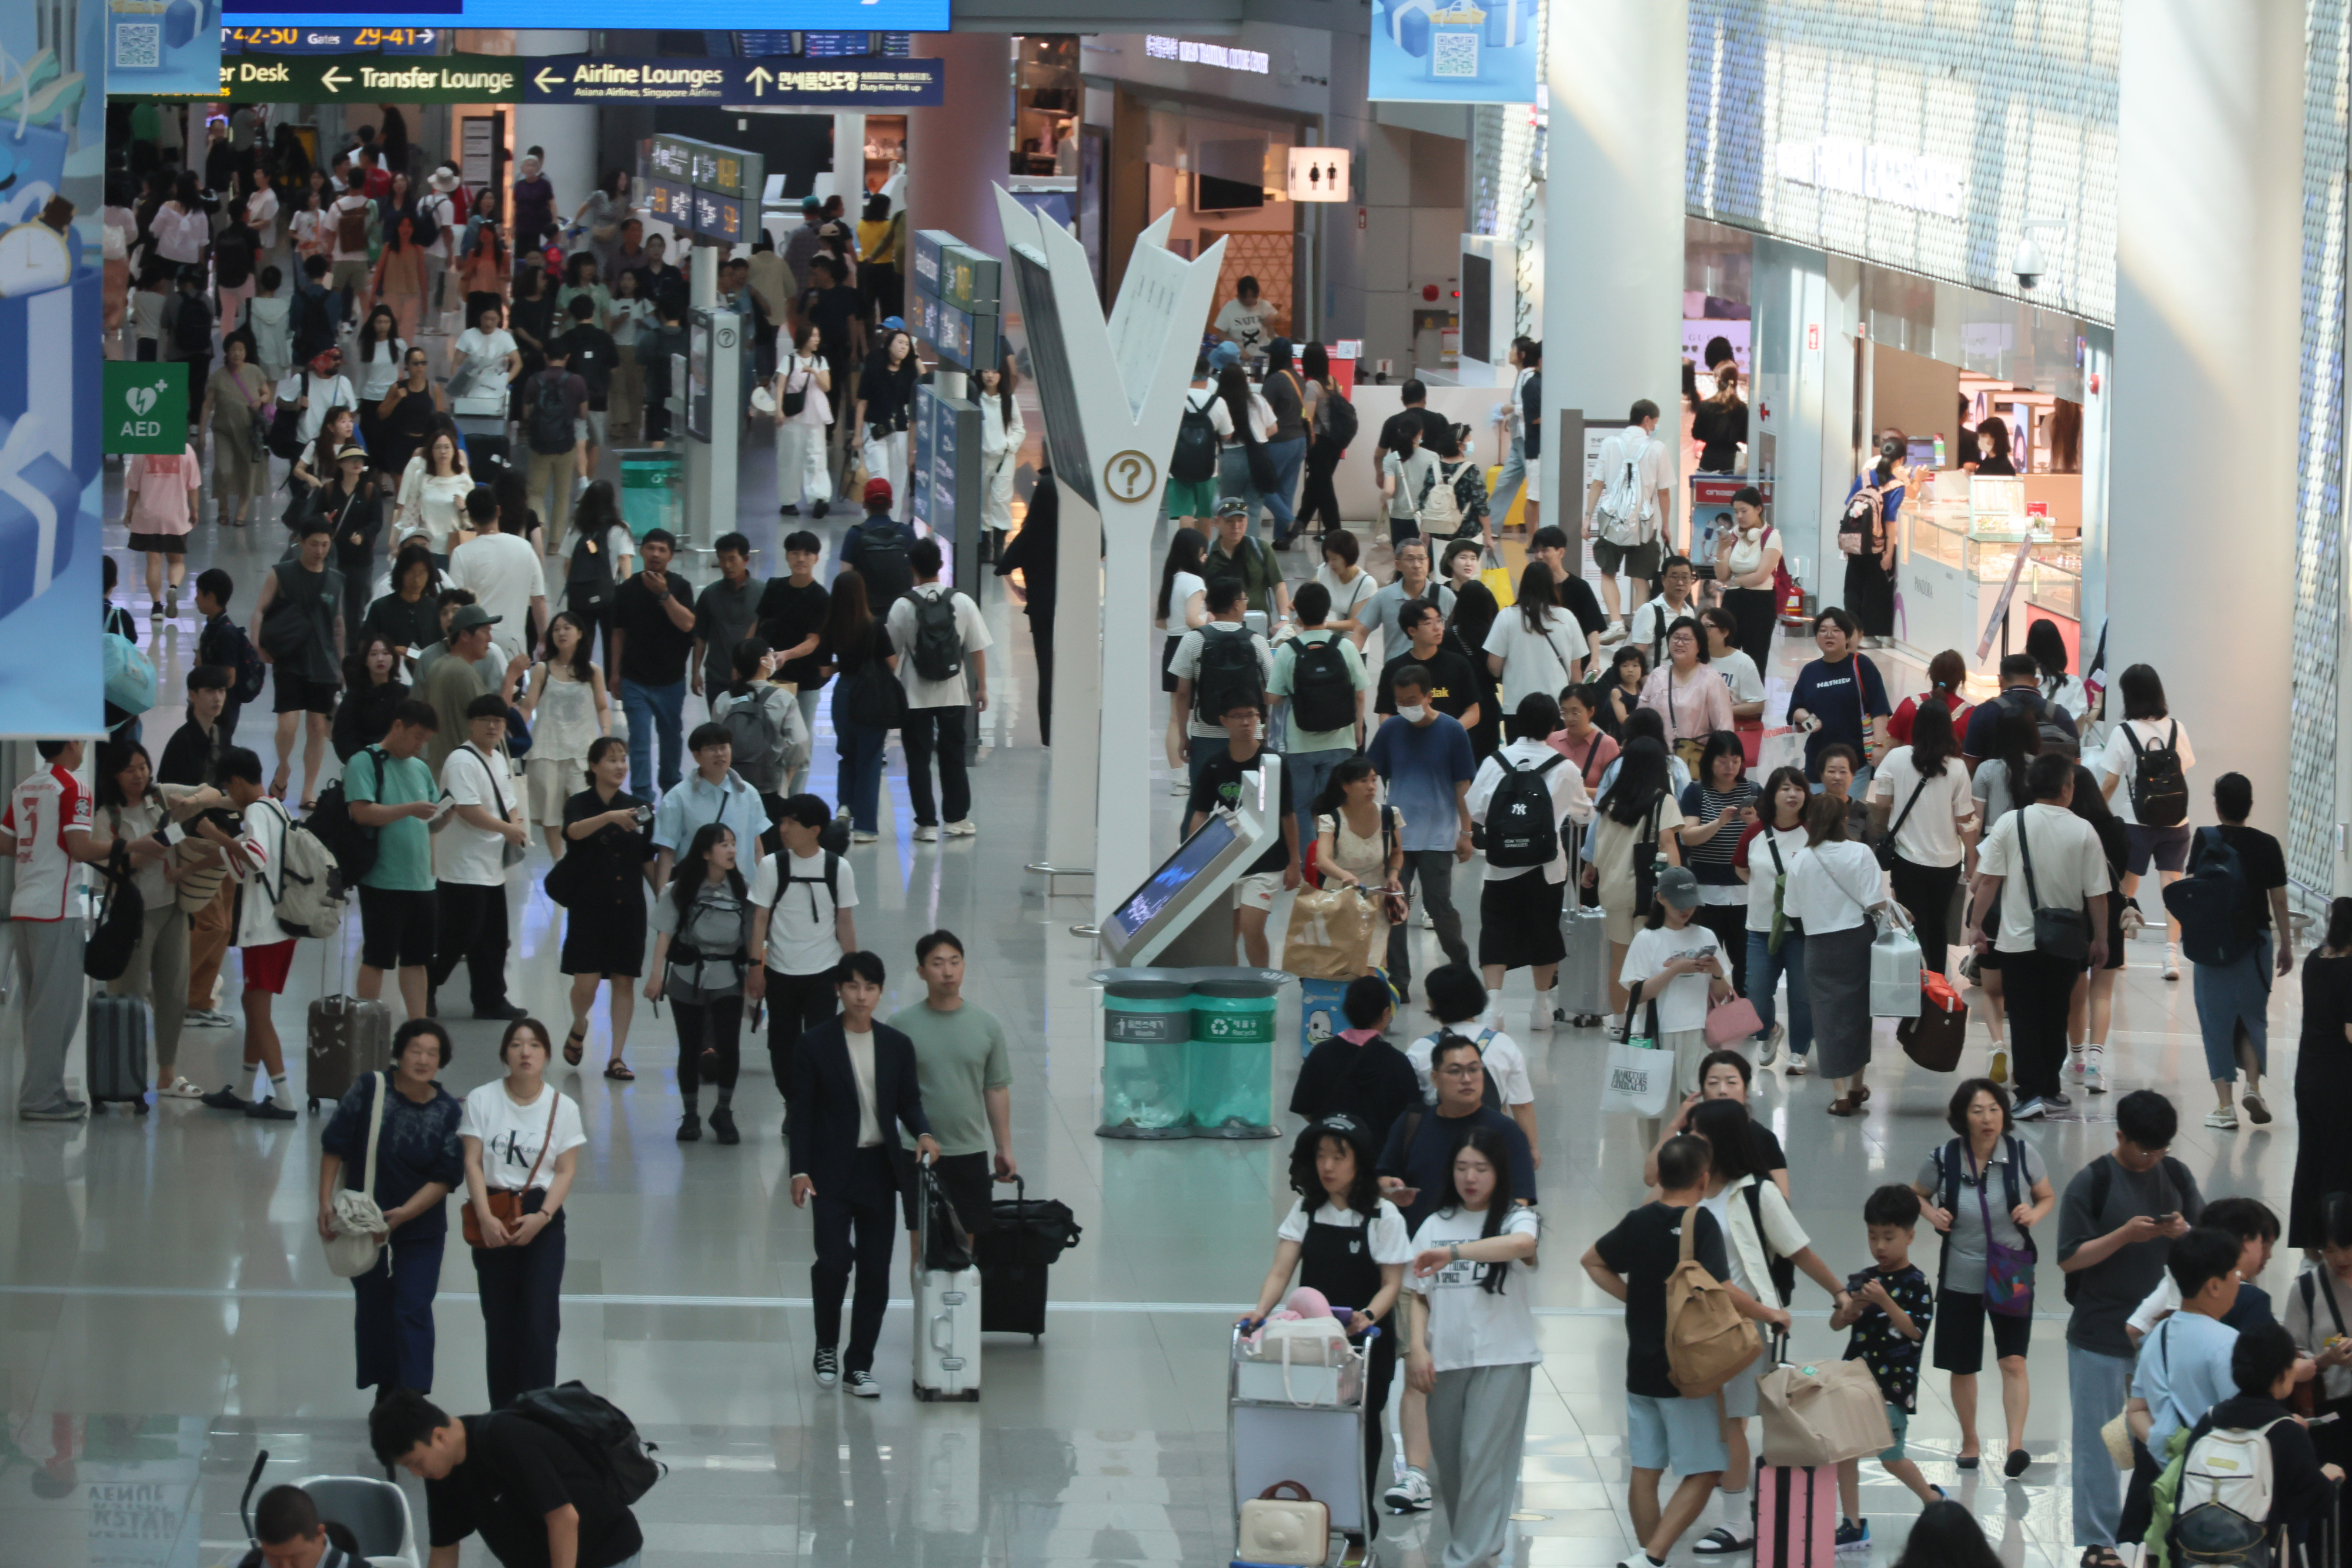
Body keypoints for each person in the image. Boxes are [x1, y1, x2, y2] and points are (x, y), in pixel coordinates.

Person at [1585, 1134, 1784, 1568]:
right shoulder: (1700, 1223)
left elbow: (1592, 1261)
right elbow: (1724, 1289)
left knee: (1645, 1468)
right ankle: (1654, 1556)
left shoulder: (1637, 1220)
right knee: (1708, 1468)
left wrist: (1634, 1298)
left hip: (1640, 1367)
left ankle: (1646, 1557)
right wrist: (1768, 1314)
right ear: (1704, 1177)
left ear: (1661, 1176)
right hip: (1687, 1369)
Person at [1689, 1098, 1855, 1551]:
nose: (1691, 1142)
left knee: (1733, 1422)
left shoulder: (1755, 1191)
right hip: (1694, 1326)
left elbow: (1798, 1249)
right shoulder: (1692, 1187)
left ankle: (1737, 1520)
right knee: (1709, 1421)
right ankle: (1727, 1509)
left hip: (1744, 1327)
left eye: (1699, 1135)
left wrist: (1839, 1293)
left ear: (1720, 1141)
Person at [1245, 1115, 1409, 1543]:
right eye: (1321, 1156)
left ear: (1361, 1162)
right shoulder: (1305, 1210)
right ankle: (1311, 1509)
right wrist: (1261, 1310)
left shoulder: (1382, 1215)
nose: (1328, 1166)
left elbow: (1393, 1282)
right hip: (1313, 1341)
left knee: (1361, 1424)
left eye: (1339, 1156)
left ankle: (1359, 1518)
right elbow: (1282, 1271)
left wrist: (1367, 1317)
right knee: (1313, 1422)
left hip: (1366, 1341)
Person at [2058, 1089, 2202, 1568]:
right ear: (2121, 1136)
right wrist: (2124, 1234)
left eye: (2162, 1149)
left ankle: (2159, 1532)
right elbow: (2069, 1257)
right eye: (2146, 1149)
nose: (2155, 1158)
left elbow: (2208, 1243)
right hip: (2100, 1333)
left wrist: (2185, 1233)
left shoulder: (2176, 1175)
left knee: (2165, 1439)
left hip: (2164, 1339)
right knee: (2100, 1442)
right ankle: (2098, 1543)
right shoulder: (2092, 1181)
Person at [787, 951, 940, 1396]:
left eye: (870, 987)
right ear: (839, 989)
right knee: (834, 1261)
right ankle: (827, 1346)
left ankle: (860, 1363)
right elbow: (803, 1113)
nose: (861, 995)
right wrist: (799, 1170)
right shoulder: (815, 1044)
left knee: (875, 1271)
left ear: (880, 991)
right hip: (830, 1171)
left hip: (880, 1169)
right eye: (853, 986)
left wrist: (924, 1132)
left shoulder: (896, 1045)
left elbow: (908, 1101)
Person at [1402, 1127, 1544, 1568]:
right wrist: (1416, 1350)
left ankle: (1462, 1558)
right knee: (1455, 1464)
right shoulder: (1434, 1223)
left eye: (1481, 1168)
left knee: (1482, 1456)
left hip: (1504, 1358)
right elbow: (1417, 1294)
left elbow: (1523, 1246)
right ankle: (1484, 1545)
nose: (1471, 1177)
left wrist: (1457, 1253)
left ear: (1499, 1172)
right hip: (1446, 1359)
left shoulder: (1515, 1218)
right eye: (1462, 1167)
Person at [1911, 1079, 2053, 1477]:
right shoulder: (1943, 1158)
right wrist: (1931, 1213)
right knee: (1963, 1363)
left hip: (2011, 1267)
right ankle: (1970, 1438)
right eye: (1977, 1111)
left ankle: (2015, 1444)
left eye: (1994, 1108)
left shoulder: (2024, 1154)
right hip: (1961, 1269)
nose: (1988, 1118)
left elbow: (2047, 1196)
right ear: (1962, 1118)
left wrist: (2034, 1214)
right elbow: (1916, 1194)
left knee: (2014, 1359)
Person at [319, 1019, 461, 1400]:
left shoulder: (448, 1111)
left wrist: (401, 1215)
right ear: (400, 1052)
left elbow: (446, 1177)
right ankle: (386, 1387)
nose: (423, 1059)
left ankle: (411, 1396)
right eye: (416, 1049)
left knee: (412, 1305)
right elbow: (335, 1143)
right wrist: (324, 1202)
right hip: (363, 1219)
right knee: (374, 1306)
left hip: (421, 1223)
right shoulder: (370, 1089)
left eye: (432, 1053)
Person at [1969, 754, 2113, 1119]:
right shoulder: (2083, 830)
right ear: (2066, 788)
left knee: (2024, 1015)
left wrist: (1977, 924)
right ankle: (2049, 1087)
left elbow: (1989, 881)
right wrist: (2101, 938)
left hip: (2017, 941)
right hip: (2065, 942)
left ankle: (2029, 1093)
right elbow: (2097, 892)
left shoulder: (2010, 822)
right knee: (2056, 1013)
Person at [373, 1388, 647, 1567]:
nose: (417, 1474)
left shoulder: (505, 1438)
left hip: (606, 1554)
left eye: (416, 1463)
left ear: (439, 1436)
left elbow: (564, 1519)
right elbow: (444, 1550)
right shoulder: (442, 1473)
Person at [1825, 1187, 1946, 1552]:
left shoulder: (1916, 1283)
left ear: (1910, 1235)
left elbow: (1915, 1330)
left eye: (1889, 1237)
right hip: (1854, 1381)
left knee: (1891, 1457)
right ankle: (1853, 1524)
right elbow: (1835, 1324)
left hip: (1892, 1385)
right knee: (1844, 1452)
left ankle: (1932, 1499)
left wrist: (1884, 1301)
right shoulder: (1865, 1278)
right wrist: (1850, 1309)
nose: (1880, 1246)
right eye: (1873, 1236)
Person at [181, 748, 300, 1119]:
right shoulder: (277, 808)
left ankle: (283, 1096)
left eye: (228, 789)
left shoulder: (259, 811)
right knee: (253, 1004)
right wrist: (188, 870)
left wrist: (216, 833)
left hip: (264, 928)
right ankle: (247, 1088)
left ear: (235, 781)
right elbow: (238, 861)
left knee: (258, 1011)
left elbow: (254, 857)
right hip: (279, 926)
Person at [1468, 694, 1595, 1033]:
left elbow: (1476, 809)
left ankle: (1494, 1006)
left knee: (1495, 932)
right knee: (1544, 933)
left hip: (1499, 867)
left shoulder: (1495, 761)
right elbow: (1584, 814)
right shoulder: (1565, 767)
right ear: (1553, 725)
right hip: (1546, 868)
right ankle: (1541, 1008)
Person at [883, 930, 1017, 1242]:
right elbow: (889, 1095)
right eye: (938, 963)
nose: (948, 972)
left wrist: (1004, 1148)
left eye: (955, 962)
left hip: (969, 1150)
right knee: (922, 1244)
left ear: (964, 966)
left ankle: (962, 1294)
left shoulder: (987, 1025)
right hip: (917, 1152)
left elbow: (995, 1088)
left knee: (966, 1245)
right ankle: (924, 1294)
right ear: (921, 972)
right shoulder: (901, 1027)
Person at [2181, 773, 2293, 1130]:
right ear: (2250, 806)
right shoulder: (2268, 844)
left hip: (2212, 945)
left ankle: (2224, 1106)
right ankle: (2255, 1088)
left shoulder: (2205, 840)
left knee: (2216, 1023)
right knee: (2252, 1018)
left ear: (2217, 805)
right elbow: (2278, 901)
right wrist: (2287, 944)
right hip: (2255, 942)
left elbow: (2191, 891)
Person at [93, 744, 198, 1102]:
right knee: (130, 997)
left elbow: (209, 797)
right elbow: (105, 875)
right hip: (132, 918)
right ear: (115, 776)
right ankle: (124, 1074)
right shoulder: (106, 818)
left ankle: (167, 1074)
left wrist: (177, 829)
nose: (140, 775)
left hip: (172, 909)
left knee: (174, 995)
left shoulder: (161, 801)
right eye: (130, 770)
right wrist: (141, 856)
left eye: (143, 767)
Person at [1368, 664, 1478, 989]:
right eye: (1400, 701)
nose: (1406, 707)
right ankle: (1399, 982)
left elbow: (1463, 786)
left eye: (1412, 699)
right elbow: (1372, 774)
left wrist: (1467, 832)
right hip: (1399, 835)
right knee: (1395, 906)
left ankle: (1460, 963)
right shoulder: (1391, 730)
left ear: (1429, 696)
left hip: (1438, 835)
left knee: (1438, 905)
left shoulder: (1453, 730)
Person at [644, 823, 754, 1146]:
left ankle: (723, 1110)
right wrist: (655, 976)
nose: (732, 850)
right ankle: (690, 1114)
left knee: (729, 1046)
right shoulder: (679, 889)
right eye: (724, 845)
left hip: (729, 978)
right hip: (687, 976)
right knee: (689, 1047)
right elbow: (665, 932)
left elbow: (751, 936)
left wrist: (757, 975)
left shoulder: (743, 889)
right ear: (706, 853)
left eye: (734, 844)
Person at [749, 794, 859, 1113]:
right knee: (781, 1046)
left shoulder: (839, 868)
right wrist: (756, 966)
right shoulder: (772, 865)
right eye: (782, 821)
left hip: (824, 973)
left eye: (791, 823)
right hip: (780, 972)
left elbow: (845, 922)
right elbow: (760, 919)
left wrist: (852, 974)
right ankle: (793, 1103)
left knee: (821, 1045)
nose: (783, 829)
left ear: (814, 830)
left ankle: (813, 1105)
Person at [1786, 790, 1890, 1115]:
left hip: (1818, 945)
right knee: (1859, 1013)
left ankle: (1840, 1094)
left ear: (1811, 822)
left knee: (1827, 1016)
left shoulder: (1801, 859)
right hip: (1858, 941)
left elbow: (1791, 910)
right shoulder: (1860, 853)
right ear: (1844, 820)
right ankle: (1858, 1085)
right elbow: (1875, 902)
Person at [883, 536, 992, 841]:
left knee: (917, 760)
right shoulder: (962, 601)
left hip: (913, 695)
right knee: (952, 755)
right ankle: (956, 819)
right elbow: (977, 649)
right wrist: (981, 688)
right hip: (953, 692)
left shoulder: (902, 606)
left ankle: (926, 824)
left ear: (913, 568)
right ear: (941, 566)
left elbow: (890, 654)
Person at [343, 701, 443, 1022]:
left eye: (425, 740)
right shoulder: (365, 762)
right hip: (383, 879)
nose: (419, 745)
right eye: (416, 736)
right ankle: (366, 1025)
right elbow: (361, 812)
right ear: (397, 726)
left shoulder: (421, 768)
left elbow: (431, 821)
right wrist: (410, 808)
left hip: (421, 880)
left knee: (417, 959)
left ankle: (418, 1027)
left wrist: (446, 814)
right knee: (377, 957)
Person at [431, 696, 527, 1024]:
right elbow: (468, 810)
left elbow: (509, 801)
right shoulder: (461, 761)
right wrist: (508, 830)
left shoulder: (499, 759)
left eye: (498, 721)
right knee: (458, 935)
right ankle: (426, 983)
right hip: (462, 865)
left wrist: (513, 825)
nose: (492, 726)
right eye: (485, 719)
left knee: (493, 938)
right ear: (471, 723)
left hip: (489, 865)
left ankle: (490, 1000)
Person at [2097, 664, 2197, 979]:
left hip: (2135, 821)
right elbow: (2184, 769)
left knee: (2127, 885)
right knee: (2172, 885)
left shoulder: (2123, 732)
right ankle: (2170, 956)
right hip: (2176, 822)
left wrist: (2095, 810)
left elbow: (2112, 781)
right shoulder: (2177, 728)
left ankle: (2122, 948)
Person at [1186, 697, 1301, 966]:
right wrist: (1197, 858)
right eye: (1238, 715)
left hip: (1267, 861)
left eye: (1251, 714)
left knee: (1252, 928)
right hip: (1229, 860)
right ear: (1224, 721)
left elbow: (1287, 815)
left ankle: (1262, 987)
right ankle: (1233, 990)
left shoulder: (1273, 762)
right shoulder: (1214, 764)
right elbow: (1200, 813)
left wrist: (1294, 862)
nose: (1246, 722)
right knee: (1227, 936)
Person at [1582, 736, 1687, 1025]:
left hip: (1613, 890)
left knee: (1620, 958)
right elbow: (1668, 844)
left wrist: (1590, 866)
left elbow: (1599, 841)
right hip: (1647, 893)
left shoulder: (1610, 803)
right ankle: (1641, 1023)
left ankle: (1618, 1022)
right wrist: (1677, 888)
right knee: (1650, 961)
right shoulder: (1662, 801)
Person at [1869, 702, 1977, 978]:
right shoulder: (1957, 767)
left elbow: (1881, 802)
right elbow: (1965, 818)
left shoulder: (1896, 758)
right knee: (1939, 924)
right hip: (1948, 862)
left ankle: (1915, 984)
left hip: (1908, 860)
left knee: (1913, 925)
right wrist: (1973, 859)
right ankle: (1937, 987)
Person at [1621, 866, 1736, 1104]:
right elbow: (1637, 994)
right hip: (1657, 1032)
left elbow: (1722, 994)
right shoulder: (1646, 939)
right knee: (1656, 1107)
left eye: (1690, 903)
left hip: (1699, 1032)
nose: (1685, 910)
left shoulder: (1706, 936)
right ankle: (1658, 1144)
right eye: (1678, 904)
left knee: (1696, 1103)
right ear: (1661, 898)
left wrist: (1716, 973)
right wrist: (1674, 970)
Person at [250, 519, 345, 810]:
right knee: (288, 726)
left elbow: (338, 624)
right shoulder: (281, 574)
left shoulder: (335, 580)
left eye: (325, 545)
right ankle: (283, 767)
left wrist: (341, 664)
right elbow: (259, 610)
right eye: (314, 544)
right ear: (301, 542)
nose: (320, 551)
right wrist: (256, 645)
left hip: (323, 663)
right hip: (290, 659)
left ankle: (308, 791)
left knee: (317, 727)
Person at [1268, 581, 1371, 844]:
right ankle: (1332, 863)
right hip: (1341, 740)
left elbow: (1275, 697)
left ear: (1298, 615)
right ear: (1327, 613)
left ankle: (1308, 863)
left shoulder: (1288, 650)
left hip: (1300, 742)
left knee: (1301, 807)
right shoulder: (1345, 647)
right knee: (1332, 807)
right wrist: (1358, 730)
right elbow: (1360, 693)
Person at [611, 529, 698, 801]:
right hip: (635, 679)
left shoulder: (681, 587)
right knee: (638, 741)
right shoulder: (626, 589)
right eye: (650, 548)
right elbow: (618, 632)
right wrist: (615, 673)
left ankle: (672, 791)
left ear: (671, 555)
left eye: (662, 550)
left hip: (670, 680)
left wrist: (664, 595)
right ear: (641, 552)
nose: (656, 554)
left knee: (671, 738)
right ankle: (641, 798)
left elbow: (687, 624)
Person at [1167, 576, 1275, 793]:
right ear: (1236, 604)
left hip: (1205, 733)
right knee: (1248, 803)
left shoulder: (1193, 639)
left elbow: (1181, 694)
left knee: (1201, 800)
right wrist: (1266, 726)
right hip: (1247, 734)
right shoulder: (1256, 641)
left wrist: (1182, 736)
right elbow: (1273, 689)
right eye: (1245, 599)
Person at [517, 613, 609, 859]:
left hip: (583, 751)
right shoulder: (542, 670)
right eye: (556, 629)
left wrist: (607, 737)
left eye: (567, 628)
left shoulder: (592, 671)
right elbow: (528, 707)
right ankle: (560, 863)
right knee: (551, 815)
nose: (561, 633)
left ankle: (580, 859)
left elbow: (602, 707)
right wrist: (511, 737)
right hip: (547, 749)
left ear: (580, 633)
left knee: (585, 811)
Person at [1673, 732, 1760, 992]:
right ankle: (1705, 1013)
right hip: (1706, 893)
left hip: (1746, 892)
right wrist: (1720, 822)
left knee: (1746, 962)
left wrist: (1755, 823)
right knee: (1704, 961)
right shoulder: (1696, 792)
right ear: (1710, 761)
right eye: (1723, 761)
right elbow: (1687, 837)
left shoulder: (1754, 791)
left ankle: (1745, 1015)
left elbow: (1770, 834)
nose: (1730, 767)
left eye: (1735, 760)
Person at [2290, 900, 2352, 1248]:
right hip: (2341, 1081)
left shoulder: (2315, 960)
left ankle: (2308, 1243)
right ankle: (2337, 1241)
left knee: (2309, 1160)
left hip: (2309, 1074)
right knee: (2339, 1163)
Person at [1585, 400, 1672, 635]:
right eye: (1655, 422)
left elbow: (1597, 484)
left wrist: (1587, 518)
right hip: (1645, 524)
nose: (1655, 426)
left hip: (1613, 521)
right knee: (1641, 576)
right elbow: (1663, 491)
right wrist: (1666, 525)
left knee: (1607, 572)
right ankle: (1640, 626)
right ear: (1647, 420)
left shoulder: (1610, 444)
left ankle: (1615, 623)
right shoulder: (1657, 448)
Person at [823, 571, 897, 843]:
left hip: (843, 692)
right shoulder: (875, 626)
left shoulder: (830, 626)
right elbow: (891, 663)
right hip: (871, 694)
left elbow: (823, 670)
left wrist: (846, 664)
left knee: (847, 753)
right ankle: (865, 826)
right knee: (870, 759)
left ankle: (845, 806)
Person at [650, 724, 767, 894]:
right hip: (696, 893)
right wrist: (662, 898)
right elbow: (667, 853)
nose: (719, 754)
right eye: (711, 749)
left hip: (743, 891)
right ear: (696, 755)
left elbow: (757, 848)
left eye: (724, 747)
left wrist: (763, 893)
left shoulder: (748, 793)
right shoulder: (678, 798)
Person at [1789, 609, 1890, 782]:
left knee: (1850, 808)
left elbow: (1879, 709)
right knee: (1820, 809)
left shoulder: (1861, 665)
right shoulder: (1810, 671)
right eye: (1823, 630)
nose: (1829, 635)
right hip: (1818, 761)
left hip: (1853, 762)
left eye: (1836, 630)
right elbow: (1795, 709)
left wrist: (1879, 745)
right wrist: (1808, 719)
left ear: (1848, 636)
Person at [1482, 562, 1589, 714]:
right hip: (1557, 707)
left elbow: (1494, 666)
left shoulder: (1506, 616)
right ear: (1552, 585)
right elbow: (1575, 672)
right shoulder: (1567, 617)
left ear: (1523, 584)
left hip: (1517, 706)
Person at [201, 332, 272, 531]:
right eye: (234, 350)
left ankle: (242, 511)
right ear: (227, 352)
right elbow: (207, 405)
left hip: (249, 432)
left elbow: (267, 392)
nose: (237, 353)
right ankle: (223, 509)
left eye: (241, 350)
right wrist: (200, 432)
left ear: (246, 352)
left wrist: (261, 400)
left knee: (248, 470)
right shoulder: (218, 376)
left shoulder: (254, 372)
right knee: (223, 470)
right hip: (223, 431)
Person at [1962, 651, 2082, 765]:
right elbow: (2077, 766)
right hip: (2049, 785)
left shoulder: (1985, 712)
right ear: (2036, 682)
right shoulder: (2060, 714)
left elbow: (1970, 765)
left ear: (2000, 680)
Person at [1841, 436, 1907, 641]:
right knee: (1874, 590)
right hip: (1877, 545)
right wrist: (1889, 553)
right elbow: (1890, 521)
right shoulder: (1897, 486)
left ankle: (1851, 632)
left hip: (1856, 541)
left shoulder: (1864, 477)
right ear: (1901, 460)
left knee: (1853, 587)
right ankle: (1870, 635)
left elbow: (1849, 504)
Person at [772, 322, 835, 517]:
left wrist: (814, 372)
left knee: (816, 456)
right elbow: (781, 386)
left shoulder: (820, 361)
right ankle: (789, 501)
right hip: (794, 415)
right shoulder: (789, 360)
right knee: (791, 457)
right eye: (813, 336)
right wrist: (778, 410)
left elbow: (827, 387)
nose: (817, 340)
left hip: (815, 414)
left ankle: (820, 497)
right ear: (804, 337)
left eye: (818, 336)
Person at [1156, 528, 1211, 742]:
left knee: (1175, 719)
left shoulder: (1171, 580)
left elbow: (1161, 622)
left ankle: (1178, 774)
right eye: (1203, 553)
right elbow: (1191, 619)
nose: (1205, 558)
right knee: (1197, 715)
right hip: (1192, 647)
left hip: (1172, 646)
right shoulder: (1194, 582)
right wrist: (1211, 627)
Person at [1364, 539, 1454, 663]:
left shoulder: (1444, 595)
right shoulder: (1384, 596)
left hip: (1434, 669)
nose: (1417, 565)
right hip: (1397, 671)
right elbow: (1360, 631)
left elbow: (1459, 632)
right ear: (1398, 565)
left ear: (1428, 562)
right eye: (1410, 559)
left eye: (1422, 559)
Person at [367, 543, 445, 665]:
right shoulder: (381, 608)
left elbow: (442, 646)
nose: (416, 580)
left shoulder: (434, 607)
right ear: (401, 574)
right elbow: (366, 646)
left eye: (422, 573)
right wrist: (390, 651)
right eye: (411, 573)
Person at [1378, 412, 1441, 550]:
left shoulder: (1391, 459)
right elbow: (1437, 489)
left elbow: (1389, 490)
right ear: (1421, 433)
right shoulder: (1433, 457)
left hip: (1399, 518)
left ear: (1400, 431)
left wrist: (1383, 500)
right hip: (1425, 519)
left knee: (1402, 558)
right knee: (1422, 561)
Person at [1698, 607, 1766, 724]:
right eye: (1700, 627)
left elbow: (1758, 705)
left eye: (1708, 627)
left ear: (1725, 632)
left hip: (1731, 726)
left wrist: (1723, 710)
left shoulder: (1743, 662)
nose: (1702, 632)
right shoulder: (1694, 658)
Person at [1214, 273, 1282, 357]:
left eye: (1253, 297)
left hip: (1263, 353)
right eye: (1246, 297)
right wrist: (1238, 350)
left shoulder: (1264, 305)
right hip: (1239, 354)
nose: (1250, 301)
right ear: (1239, 295)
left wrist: (1273, 318)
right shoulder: (1230, 308)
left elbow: (1280, 318)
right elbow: (1221, 335)